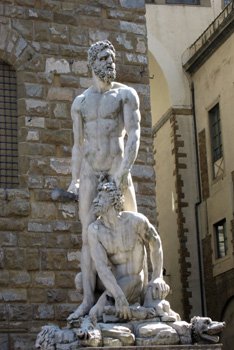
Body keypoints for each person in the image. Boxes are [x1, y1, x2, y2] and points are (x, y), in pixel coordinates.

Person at [67, 40, 141, 321]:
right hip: (89, 172)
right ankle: (88, 300)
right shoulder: (81, 103)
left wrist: (122, 174)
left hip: (116, 169)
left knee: (131, 224)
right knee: (88, 234)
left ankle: (138, 287)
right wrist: (74, 180)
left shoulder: (125, 95)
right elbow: (77, 145)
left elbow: (133, 135)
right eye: (105, 58)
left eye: (112, 58)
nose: (111, 62)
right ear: (92, 62)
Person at [87, 180, 170, 321]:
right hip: (111, 280)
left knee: (96, 314)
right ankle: (114, 302)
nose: (95, 201)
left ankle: (119, 306)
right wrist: (118, 296)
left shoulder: (135, 221)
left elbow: (155, 243)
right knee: (79, 281)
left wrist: (157, 276)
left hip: (133, 279)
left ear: (113, 200)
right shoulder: (95, 230)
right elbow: (101, 267)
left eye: (100, 197)